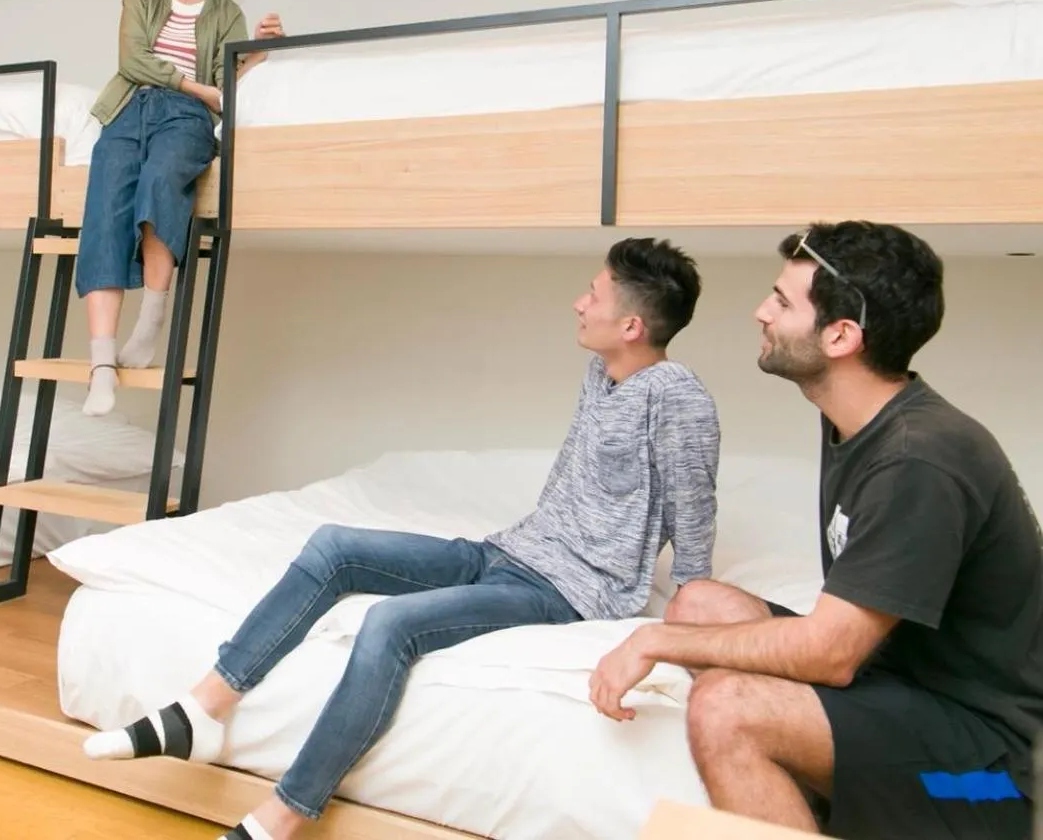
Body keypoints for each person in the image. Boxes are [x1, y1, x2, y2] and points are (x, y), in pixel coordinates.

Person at [85, 238, 721, 840]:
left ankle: (282, 816)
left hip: (570, 589)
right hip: (510, 551)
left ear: (633, 325)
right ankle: (201, 711)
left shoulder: (678, 399)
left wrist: (690, 620)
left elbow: (693, 514)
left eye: (594, 294)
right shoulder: (599, 372)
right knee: (333, 547)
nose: (580, 303)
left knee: (389, 625)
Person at [589, 220, 1042, 839]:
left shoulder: (919, 458)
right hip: (901, 693)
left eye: (781, 301)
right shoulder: (861, 422)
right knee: (697, 602)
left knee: (726, 708)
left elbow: (830, 654)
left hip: (990, 781)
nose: (760, 312)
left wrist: (651, 642)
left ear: (840, 336)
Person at [76, 0, 284, 417]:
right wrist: (196, 85)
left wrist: (252, 55)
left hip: (184, 121)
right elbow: (132, 60)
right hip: (128, 109)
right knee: (105, 208)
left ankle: (149, 324)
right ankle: (101, 364)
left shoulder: (226, 13)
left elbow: (224, 89)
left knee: (161, 182)